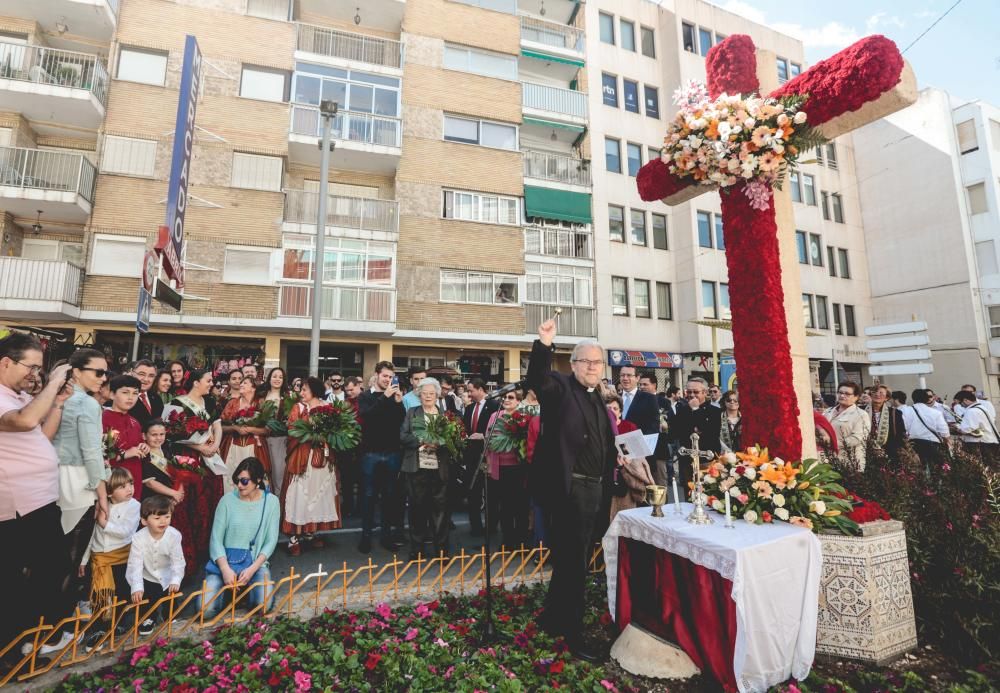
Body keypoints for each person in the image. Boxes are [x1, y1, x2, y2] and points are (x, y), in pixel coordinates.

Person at [527, 319, 625, 662]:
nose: (593, 367)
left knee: (573, 561)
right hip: (570, 492)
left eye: (598, 362)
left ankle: (552, 620)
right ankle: (573, 635)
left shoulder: (598, 397)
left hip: (595, 492)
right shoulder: (560, 387)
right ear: (573, 364)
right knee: (574, 566)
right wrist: (544, 343)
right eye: (586, 361)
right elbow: (536, 379)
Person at [0, 333, 77, 653]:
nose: (35, 374)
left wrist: (57, 403)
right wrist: (53, 380)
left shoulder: (15, 395)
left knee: (46, 568)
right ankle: (22, 641)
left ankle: (29, 638)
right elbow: (26, 420)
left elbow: (40, 433)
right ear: (5, 362)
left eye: (40, 369)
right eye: (30, 367)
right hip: (19, 503)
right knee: (28, 573)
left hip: (39, 500)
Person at [55, 349, 112, 610]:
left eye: (106, 373)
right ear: (76, 371)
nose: (103, 378)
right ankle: (57, 623)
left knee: (51, 554)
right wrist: (102, 495)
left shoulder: (56, 397)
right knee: (70, 558)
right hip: (78, 481)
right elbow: (92, 451)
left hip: (53, 477)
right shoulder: (87, 403)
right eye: (98, 372)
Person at [201, 457, 280, 618]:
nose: (239, 485)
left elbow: (271, 541)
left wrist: (252, 569)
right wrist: (225, 570)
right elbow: (215, 539)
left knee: (263, 606)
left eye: (244, 481)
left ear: (258, 480)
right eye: (237, 481)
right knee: (205, 610)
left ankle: (242, 594)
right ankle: (230, 595)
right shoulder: (226, 501)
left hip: (254, 563)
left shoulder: (271, 502)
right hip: (225, 562)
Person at [167, 370, 223, 577]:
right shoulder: (177, 402)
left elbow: (217, 426)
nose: (211, 384)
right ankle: (187, 551)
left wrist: (215, 444)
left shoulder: (210, 402)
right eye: (208, 381)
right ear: (196, 382)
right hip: (188, 458)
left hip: (210, 458)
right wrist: (199, 448)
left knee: (210, 502)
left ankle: (207, 547)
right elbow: (171, 434)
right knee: (190, 503)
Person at [282, 377, 342, 555]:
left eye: (305, 390)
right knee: (299, 495)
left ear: (314, 391)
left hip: (322, 458)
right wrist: (310, 431)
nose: (301, 393)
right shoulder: (298, 408)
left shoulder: (328, 407)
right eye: (301, 390)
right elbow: (292, 430)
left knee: (318, 493)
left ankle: (310, 531)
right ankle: (293, 537)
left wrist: (327, 436)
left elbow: (337, 431)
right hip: (303, 457)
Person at [80, 467, 140, 644]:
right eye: (122, 486)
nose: (129, 489)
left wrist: (105, 524)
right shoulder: (102, 506)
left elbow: (126, 532)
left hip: (121, 557)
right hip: (99, 559)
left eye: (131, 483)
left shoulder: (134, 506)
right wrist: (83, 560)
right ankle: (99, 628)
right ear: (109, 491)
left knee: (119, 593)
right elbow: (91, 536)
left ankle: (117, 624)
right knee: (99, 595)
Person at [400, 378, 455, 560]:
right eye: (425, 393)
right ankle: (417, 551)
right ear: (419, 395)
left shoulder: (445, 415)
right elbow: (403, 436)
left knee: (441, 512)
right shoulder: (411, 412)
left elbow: (453, 441)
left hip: (439, 471)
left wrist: (440, 444)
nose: (428, 396)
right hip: (417, 469)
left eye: (432, 393)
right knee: (417, 511)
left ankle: (442, 551)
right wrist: (422, 442)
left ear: (437, 395)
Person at [357, 362, 406, 554]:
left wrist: (398, 402)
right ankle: (366, 537)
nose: (387, 380)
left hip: (392, 453)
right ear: (377, 375)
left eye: (390, 377)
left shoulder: (394, 396)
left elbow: (400, 421)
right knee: (368, 496)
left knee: (389, 496)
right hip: (371, 453)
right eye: (384, 376)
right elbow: (368, 417)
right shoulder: (365, 396)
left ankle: (386, 536)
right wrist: (385, 398)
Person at [126, 495, 184, 636]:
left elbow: (178, 561)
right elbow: (135, 564)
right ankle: (148, 619)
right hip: (148, 575)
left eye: (167, 517)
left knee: (170, 598)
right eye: (157, 518)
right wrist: (137, 587)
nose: (163, 521)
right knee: (147, 600)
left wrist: (176, 579)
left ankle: (170, 617)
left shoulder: (174, 536)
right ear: (144, 521)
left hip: (167, 575)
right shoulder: (138, 538)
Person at [485, 388, 530, 549]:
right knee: (505, 507)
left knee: (520, 506)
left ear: (519, 400)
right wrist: (489, 464)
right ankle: (508, 540)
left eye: (511, 397)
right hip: (500, 467)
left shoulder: (524, 416)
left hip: (519, 467)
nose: (507, 400)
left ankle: (521, 540)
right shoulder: (494, 416)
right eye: (504, 397)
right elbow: (488, 443)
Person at [460, 378, 499, 537]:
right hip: (471, 458)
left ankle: (491, 527)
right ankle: (475, 526)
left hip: (489, 456)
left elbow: (498, 430)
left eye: (471, 390)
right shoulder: (469, 409)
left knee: (491, 495)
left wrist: (483, 436)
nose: (469, 394)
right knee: (473, 494)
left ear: (481, 389)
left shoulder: (495, 406)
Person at [220, 379, 271, 494]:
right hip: (233, 447)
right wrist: (235, 428)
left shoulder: (261, 403)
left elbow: (268, 430)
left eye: (245, 383)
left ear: (253, 388)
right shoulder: (232, 403)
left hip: (254, 447)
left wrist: (252, 429)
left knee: (253, 476)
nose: (241, 384)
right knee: (230, 477)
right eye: (241, 383)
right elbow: (221, 427)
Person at [606, 395, 653, 522]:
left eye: (615, 409)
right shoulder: (601, 427)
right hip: (606, 478)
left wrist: (625, 457)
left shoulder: (629, 426)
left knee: (624, 516)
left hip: (626, 479)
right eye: (608, 408)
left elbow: (638, 455)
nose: (611, 411)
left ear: (620, 412)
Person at [670, 377, 722, 490]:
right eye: (689, 392)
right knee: (689, 496)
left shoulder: (715, 411)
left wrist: (696, 410)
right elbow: (676, 433)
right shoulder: (682, 410)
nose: (692, 395)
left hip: (707, 460)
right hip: (687, 461)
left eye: (696, 392)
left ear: (704, 392)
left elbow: (710, 434)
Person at [102, 375, 149, 501]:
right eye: (125, 392)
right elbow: (104, 456)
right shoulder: (104, 419)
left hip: (134, 480)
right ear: (112, 394)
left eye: (135, 393)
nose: (130, 397)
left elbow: (138, 447)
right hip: (114, 483)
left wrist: (144, 447)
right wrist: (125, 454)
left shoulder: (135, 422)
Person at [824, 381, 872, 471]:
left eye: (847, 394)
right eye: (840, 392)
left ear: (856, 397)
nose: (842, 396)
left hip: (849, 462)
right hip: (827, 460)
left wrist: (832, 444)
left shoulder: (861, 414)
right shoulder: (828, 411)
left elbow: (857, 438)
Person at [139, 419, 185, 505]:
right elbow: (150, 483)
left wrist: (179, 493)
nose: (158, 438)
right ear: (144, 436)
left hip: (174, 498)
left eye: (162, 434)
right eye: (154, 435)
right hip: (154, 501)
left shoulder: (167, 452)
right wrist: (174, 493)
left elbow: (179, 474)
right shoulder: (143, 455)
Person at [904, 389, 950, 471]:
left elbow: (904, 428)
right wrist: (947, 441)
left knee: (918, 470)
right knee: (935, 470)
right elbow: (944, 432)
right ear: (926, 399)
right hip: (933, 444)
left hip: (913, 444)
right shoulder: (935, 412)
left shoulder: (906, 411)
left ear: (913, 398)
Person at [262, 367, 290, 495]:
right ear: (269, 378)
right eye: (274, 376)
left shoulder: (287, 397)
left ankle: (278, 507)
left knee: (278, 474)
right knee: (262, 474)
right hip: (261, 439)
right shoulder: (261, 395)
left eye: (280, 377)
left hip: (279, 440)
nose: (277, 379)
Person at [955, 390, 999, 464]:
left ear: (965, 400)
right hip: (989, 441)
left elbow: (966, 429)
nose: (960, 405)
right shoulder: (981, 407)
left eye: (960, 403)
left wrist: (957, 428)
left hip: (980, 444)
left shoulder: (972, 411)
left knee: (982, 469)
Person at [618, 366, 659, 435]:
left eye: (629, 375)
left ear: (637, 378)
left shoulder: (649, 399)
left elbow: (653, 426)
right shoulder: (614, 398)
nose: (625, 378)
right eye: (622, 375)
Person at [869, 385, 906, 459]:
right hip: (866, 452)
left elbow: (900, 434)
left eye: (881, 393)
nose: (877, 394)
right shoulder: (861, 411)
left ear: (887, 397)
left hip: (889, 453)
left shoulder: (895, 413)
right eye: (875, 392)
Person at [128, 360, 164, 427]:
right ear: (132, 373)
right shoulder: (124, 397)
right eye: (142, 374)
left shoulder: (157, 399)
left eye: (151, 376)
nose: (146, 379)